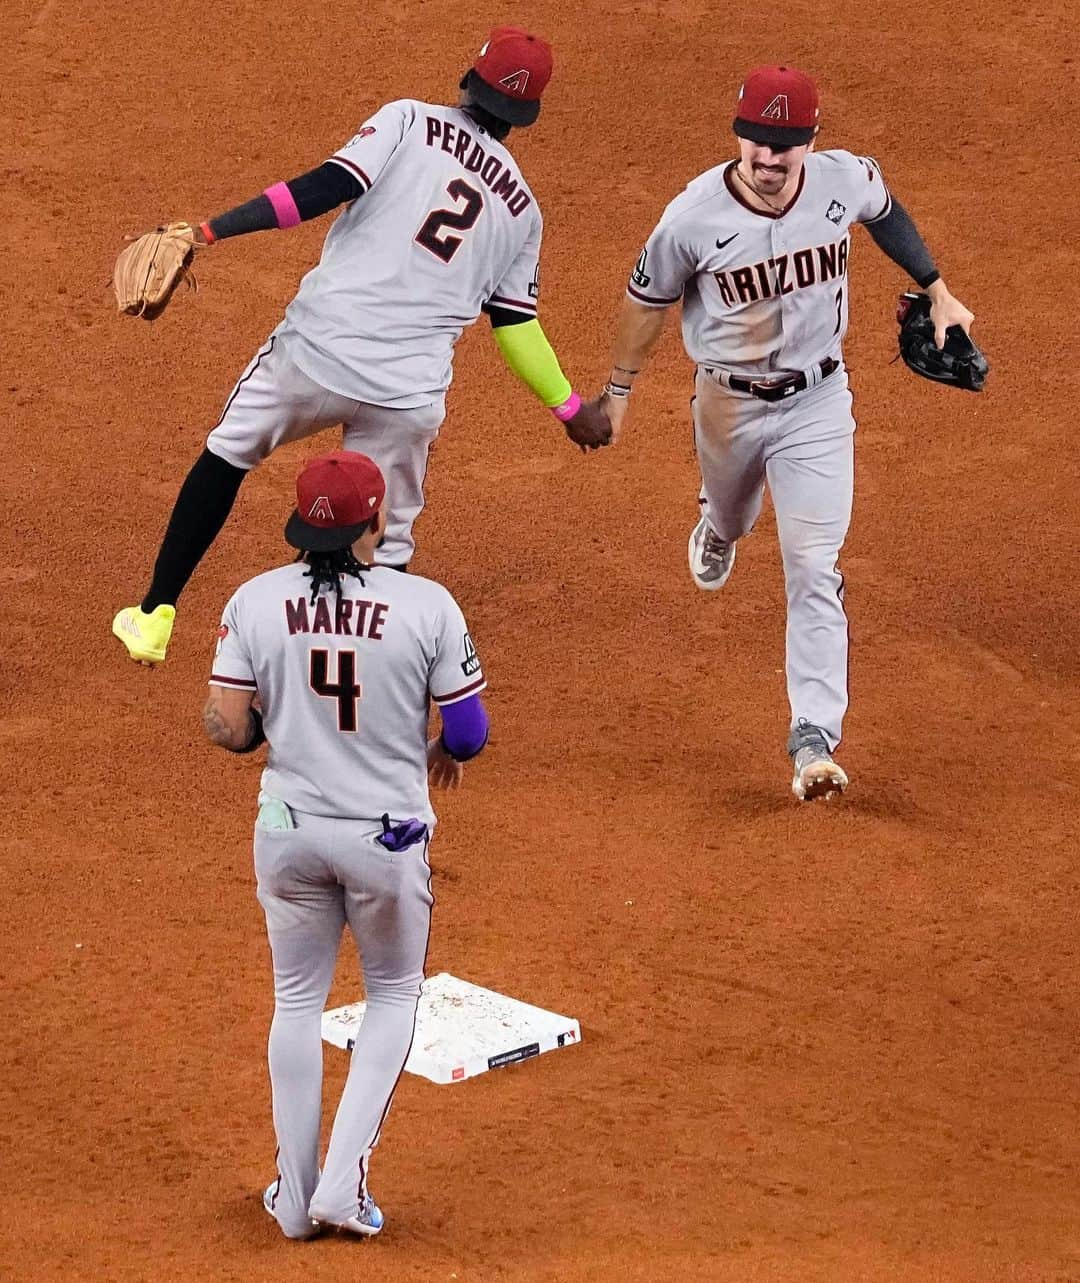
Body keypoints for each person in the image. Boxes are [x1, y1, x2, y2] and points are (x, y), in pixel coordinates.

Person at [113, 24, 611, 667]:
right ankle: (380, 672)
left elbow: (323, 188)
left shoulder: (409, 121)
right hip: (407, 394)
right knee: (390, 540)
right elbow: (515, 326)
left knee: (227, 455)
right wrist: (571, 410)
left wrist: (211, 231)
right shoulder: (525, 213)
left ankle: (154, 614)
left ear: (470, 76)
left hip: (316, 353)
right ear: (527, 114)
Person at [598, 64, 975, 801]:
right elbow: (645, 302)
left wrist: (936, 287)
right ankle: (718, 521)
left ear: (810, 141)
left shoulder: (839, 180)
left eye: (784, 148)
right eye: (756, 144)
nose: (768, 161)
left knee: (813, 562)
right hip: (726, 405)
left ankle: (813, 737)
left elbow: (884, 207)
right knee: (734, 516)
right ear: (738, 135)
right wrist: (618, 394)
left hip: (818, 403)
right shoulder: (691, 218)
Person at [203, 449, 489, 1238]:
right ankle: (341, 1186)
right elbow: (468, 732)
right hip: (385, 840)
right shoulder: (427, 604)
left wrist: (280, 725)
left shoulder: (255, 600)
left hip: (287, 832)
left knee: (295, 1002)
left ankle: (294, 1201)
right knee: (394, 994)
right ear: (374, 522)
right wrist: (441, 751)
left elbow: (227, 725)